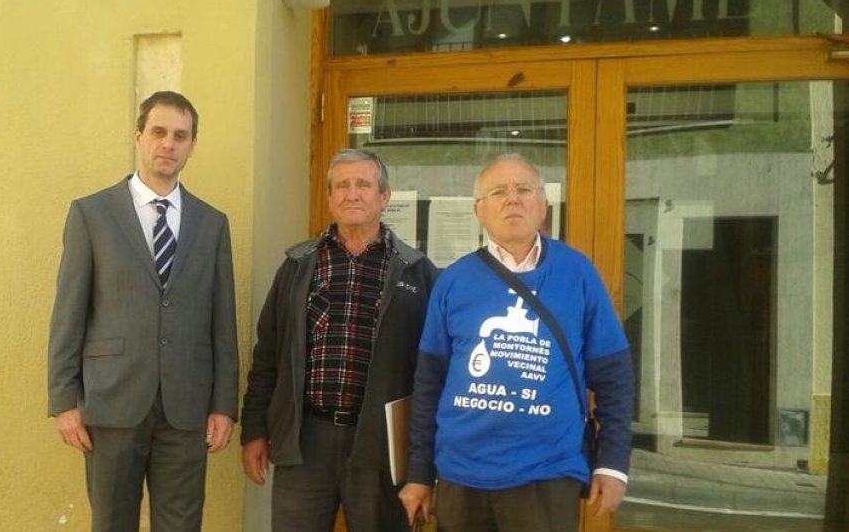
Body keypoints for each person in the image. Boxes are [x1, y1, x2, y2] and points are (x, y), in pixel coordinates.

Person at [399, 153, 635, 531]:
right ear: (480, 210)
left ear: (542, 206)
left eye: (523, 189)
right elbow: (428, 386)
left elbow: (614, 376)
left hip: (547, 473)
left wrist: (612, 462)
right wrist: (419, 474)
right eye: (498, 191)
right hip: (462, 476)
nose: (513, 198)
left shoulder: (578, 274)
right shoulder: (453, 281)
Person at [47, 91, 238, 532]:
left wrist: (224, 405)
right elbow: (68, 313)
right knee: (113, 523)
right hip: (112, 402)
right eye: (158, 132)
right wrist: (63, 400)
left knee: (182, 524)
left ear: (191, 145)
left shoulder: (212, 224)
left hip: (187, 407)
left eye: (180, 135)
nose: (168, 144)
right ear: (138, 136)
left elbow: (222, 322)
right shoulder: (92, 214)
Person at [241, 148, 439, 532]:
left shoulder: (418, 272)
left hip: (381, 444)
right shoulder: (298, 266)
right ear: (330, 197)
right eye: (342, 186)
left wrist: (422, 458)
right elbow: (267, 356)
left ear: (384, 197)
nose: (352, 194)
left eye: (363, 184)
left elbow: (432, 372)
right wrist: (255, 431)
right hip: (306, 439)